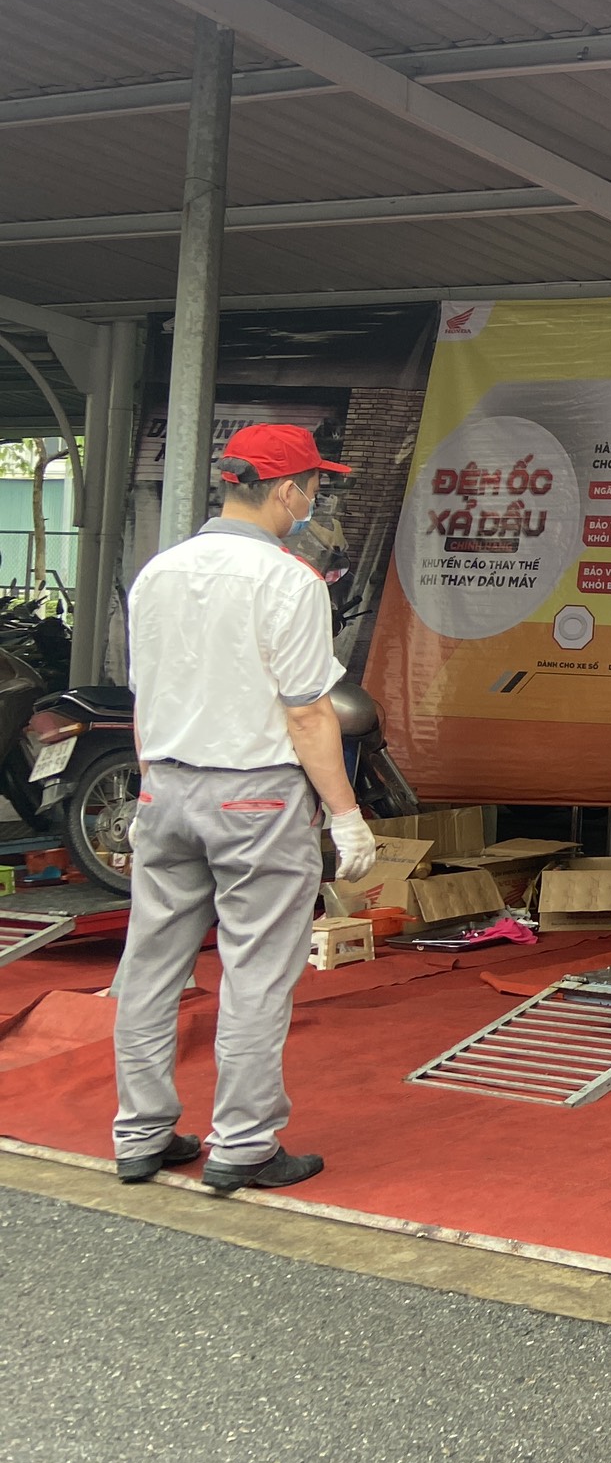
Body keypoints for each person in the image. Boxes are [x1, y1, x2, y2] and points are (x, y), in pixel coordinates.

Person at [112, 425, 377, 1192]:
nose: (315, 501)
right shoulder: (289, 581)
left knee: (150, 969)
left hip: (165, 786)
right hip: (256, 795)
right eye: (314, 487)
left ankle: (139, 1134)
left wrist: (152, 782)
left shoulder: (158, 572)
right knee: (255, 973)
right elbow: (308, 712)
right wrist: (346, 815)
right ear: (287, 490)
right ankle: (244, 1144)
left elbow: (144, 698)